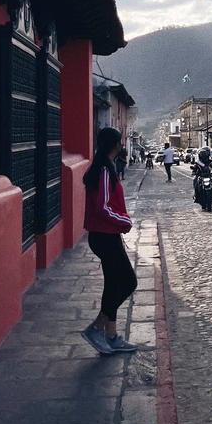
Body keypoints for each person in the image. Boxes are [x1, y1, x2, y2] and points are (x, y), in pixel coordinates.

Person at [80, 127, 138, 355]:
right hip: (104, 235)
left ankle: (112, 336)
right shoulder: (104, 170)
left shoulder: (105, 167)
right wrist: (124, 221)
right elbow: (102, 207)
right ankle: (97, 328)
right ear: (114, 144)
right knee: (128, 282)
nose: (123, 145)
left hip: (105, 235)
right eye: (120, 142)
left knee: (114, 283)